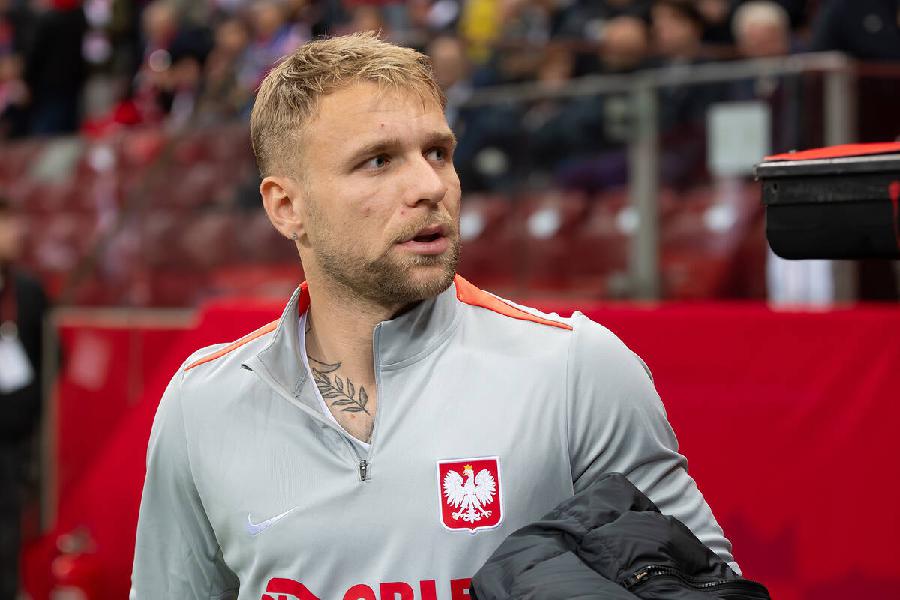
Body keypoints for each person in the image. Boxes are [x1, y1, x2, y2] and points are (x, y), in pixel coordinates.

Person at [131, 32, 738, 598]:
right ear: (287, 206)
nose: (430, 185)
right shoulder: (201, 404)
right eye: (378, 161)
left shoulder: (577, 369)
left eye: (438, 152)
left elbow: (708, 584)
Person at [0, 197, 48, 600]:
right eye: (5, 222)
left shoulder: (28, 293)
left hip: (16, 439)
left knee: (10, 525)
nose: (15, 231)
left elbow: (51, 357)